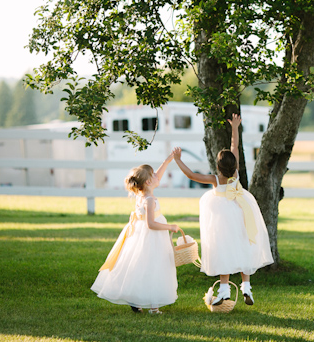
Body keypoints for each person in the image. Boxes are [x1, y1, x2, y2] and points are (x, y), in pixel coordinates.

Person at [172, 113, 274, 306]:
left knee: (223, 248)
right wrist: (235, 127)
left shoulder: (215, 179)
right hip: (241, 212)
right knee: (245, 245)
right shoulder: (235, 173)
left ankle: (225, 290)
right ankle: (246, 287)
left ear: (217, 166)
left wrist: (177, 159)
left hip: (223, 217)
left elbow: (192, 175)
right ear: (234, 165)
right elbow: (235, 147)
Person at [91, 152, 180, 314]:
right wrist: (170, 227)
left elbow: (158, 176)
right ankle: (154, 307)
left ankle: (136, 299)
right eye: (154, 176)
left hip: (140, 236)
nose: (158, 177)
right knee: (155, 267)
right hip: (152, 237)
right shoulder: (150, 200)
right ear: (148, 181)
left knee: (140, 266)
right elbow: (152, 224)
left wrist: (167, 161)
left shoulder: (142, 195)